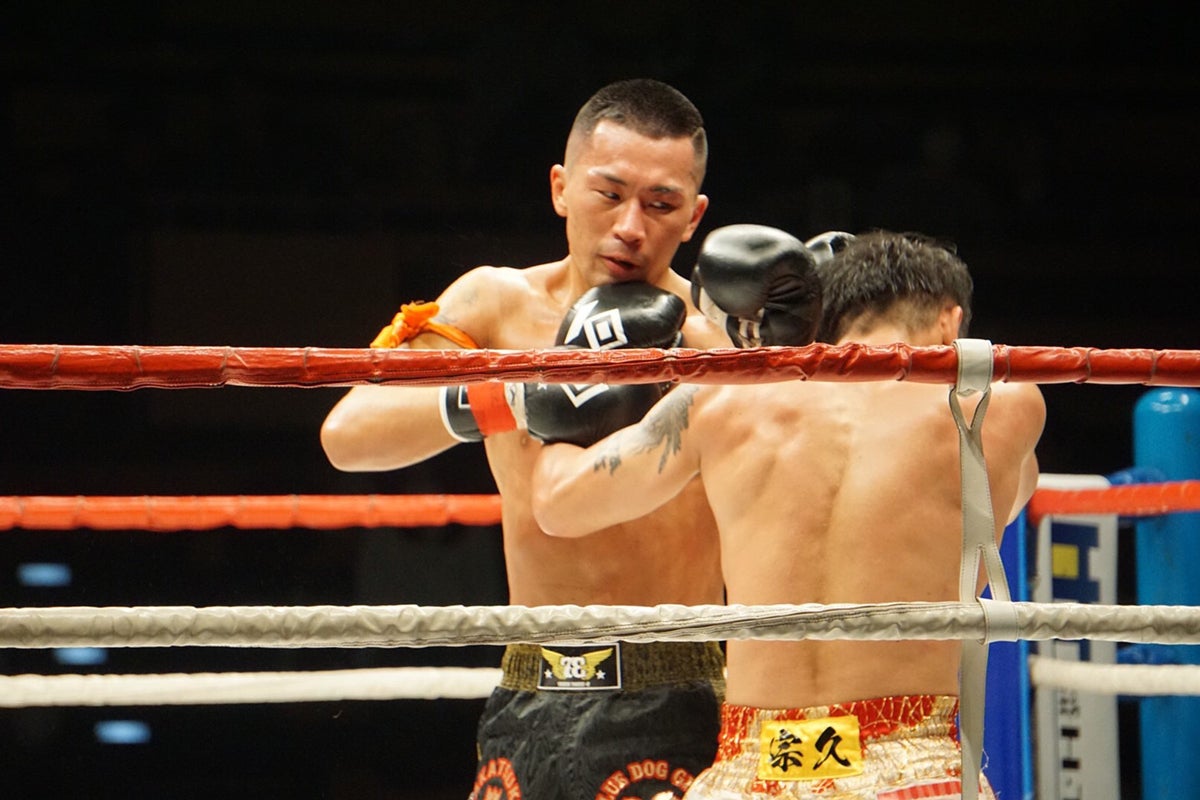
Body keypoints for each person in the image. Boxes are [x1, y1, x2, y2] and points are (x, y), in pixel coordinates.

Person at [321, 79, 822, 799]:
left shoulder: (714, 341)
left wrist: (767, 364)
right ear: (560, 188)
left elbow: (808, 487)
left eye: (660, 205)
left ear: (694, 217)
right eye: (608, 194)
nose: (630, 226)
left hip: (677, 688)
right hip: (531, 686)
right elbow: (347, 434)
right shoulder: (495, 305)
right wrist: (513, 394)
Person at [531, 230, 1046, 799]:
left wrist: (558, 388)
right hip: (915, 769)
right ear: (951, 323)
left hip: (748, 772)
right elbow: (1015, 494)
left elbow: (558, 504)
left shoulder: (723, 398)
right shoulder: (999, 408)